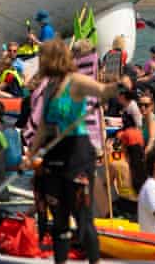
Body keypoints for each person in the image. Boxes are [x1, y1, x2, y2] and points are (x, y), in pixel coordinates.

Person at [25, 39, 119, 264]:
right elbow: (44, 127)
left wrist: (118, 85)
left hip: (77, 154)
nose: (40, 61)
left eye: (42, 57)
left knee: (83, 219)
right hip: (54, 155)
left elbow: (103, 91)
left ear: (54, 58)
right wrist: (30, 154)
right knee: (59, 220)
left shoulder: (76, 81)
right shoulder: (48, 86)